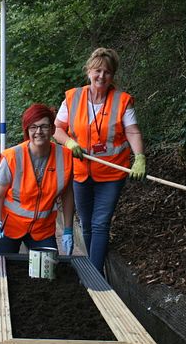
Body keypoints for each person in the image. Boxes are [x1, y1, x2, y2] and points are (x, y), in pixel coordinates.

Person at [53, 47, 146, 274]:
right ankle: (95, 268)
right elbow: (57, 129)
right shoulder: (73, 97)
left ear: (113, 75)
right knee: (85, 222)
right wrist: (70, 143)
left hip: (112, 174)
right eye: (97, 71)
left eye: (107, 72)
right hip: (81, 171)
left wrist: (139, 157)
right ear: (88, 71)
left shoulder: (122, 101)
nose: (101, 76)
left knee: (100, 223)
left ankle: (93, 275)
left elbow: (132, 131)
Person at [0, 103, 76, 255]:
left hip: (42, 229)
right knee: (0, 270)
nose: (38, 132)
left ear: (53, 129)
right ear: (27, 130)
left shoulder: (66, 157)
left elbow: (67, 195)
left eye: (44, 126)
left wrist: (68, 229)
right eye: (33, 127)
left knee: (45, 274)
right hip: (9, 226)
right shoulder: (13, 157)